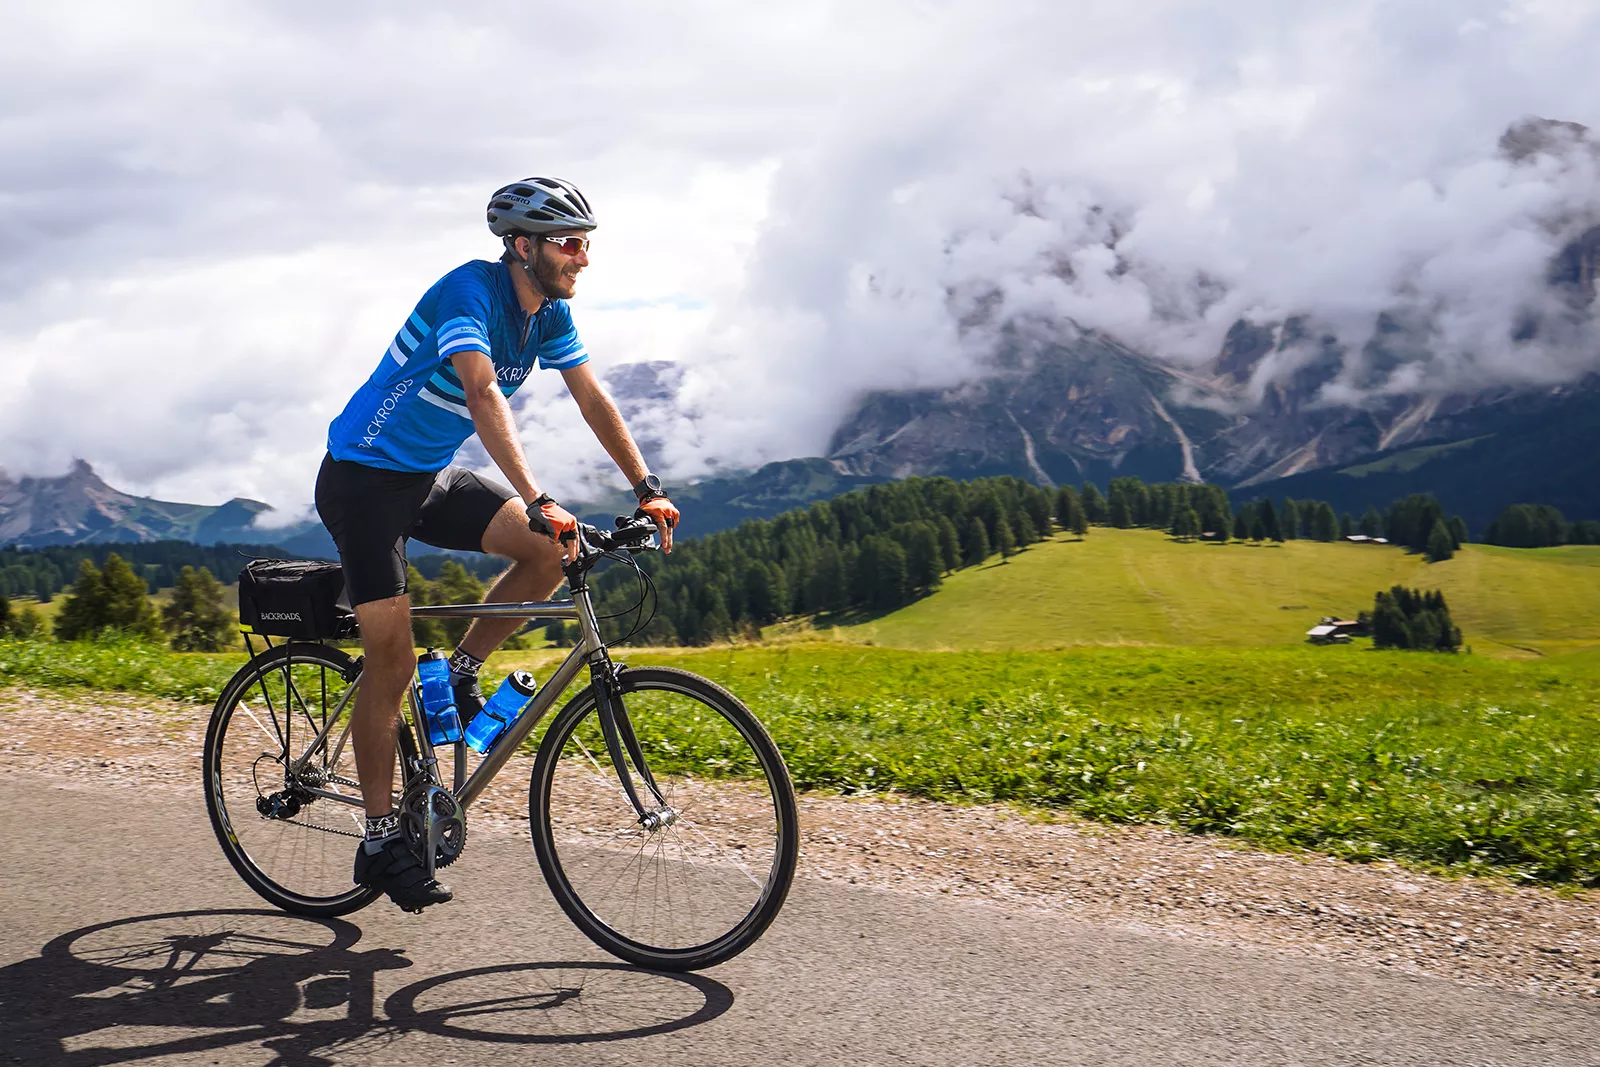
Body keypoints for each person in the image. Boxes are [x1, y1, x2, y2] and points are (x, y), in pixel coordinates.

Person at [316, 177, 680, 911]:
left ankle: (460, 671)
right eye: (569, 243)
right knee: (389, 654)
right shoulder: (468, 293)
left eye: (586, 242)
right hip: (362, 481)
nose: (582, 256)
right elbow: (482, 394)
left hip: (426, 477)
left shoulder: (545, 314)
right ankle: (382, 837)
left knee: (549, 552)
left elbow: (590, 395)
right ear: (522, 246)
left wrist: (646, 485)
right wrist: (540, 496)